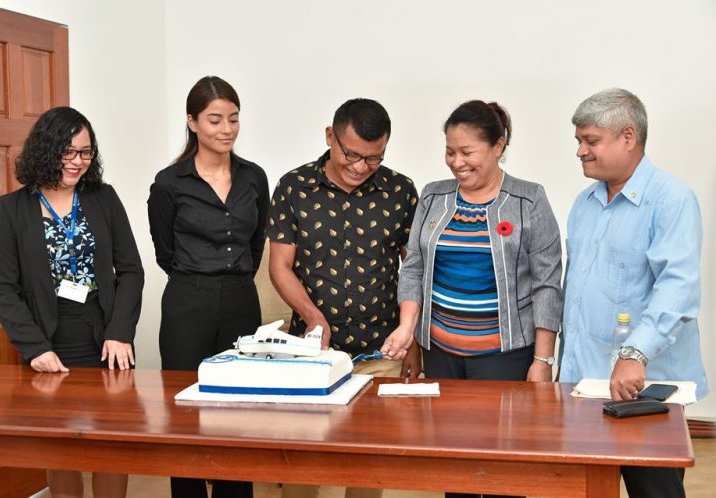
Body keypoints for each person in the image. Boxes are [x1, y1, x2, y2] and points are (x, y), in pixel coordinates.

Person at [385, 100, 562, 498]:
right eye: (450, 151)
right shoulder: (433, 197)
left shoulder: (528, 200)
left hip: (505, 356)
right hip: (443, 353)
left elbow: (547, 283)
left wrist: (542, 360)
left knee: (503, 467)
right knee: (455, 464)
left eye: (467, 152)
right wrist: (407, 328)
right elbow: (413, 268)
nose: (456, 162)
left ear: (498, 146)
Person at [0, 106, 144, 498]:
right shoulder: (10, 209)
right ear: (46, 150)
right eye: (68, 152)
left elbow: (131, 271)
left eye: (86, 152)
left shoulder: (103, 198)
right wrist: (34, 347)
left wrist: (121, 332)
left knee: (110, 446)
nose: (78, 162)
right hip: (48, 340)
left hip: (105, 336)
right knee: (61, 450)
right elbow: (4, 289)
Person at [559, 88, 708, 498]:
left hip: (644, 389)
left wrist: (634, 354)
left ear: (628, 136)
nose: (580, 152)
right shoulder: (584, 203)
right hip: (583, 385)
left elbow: (677, 288)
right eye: (578, 142)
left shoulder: (671, 200)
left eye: (590, 141)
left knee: (653, 492)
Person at [268, 98, 418, 498]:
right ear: (330, 137)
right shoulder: (293, 187)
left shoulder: (400, 190)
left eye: (373, 158)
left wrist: (412, 336)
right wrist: (314, 318)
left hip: (382, 350)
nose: (359, 167)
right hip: (313, 353)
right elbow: (280, 266)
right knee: (305, 461)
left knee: (371, 464)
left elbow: (414, 271)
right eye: (351, 154)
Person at [148, 76, 269, 498]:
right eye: (215, 120)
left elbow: (257, 244)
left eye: (234, 119)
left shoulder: (254, 178)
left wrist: (230, 277)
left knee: (240, 411)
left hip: (240, 299)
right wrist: (199, 276)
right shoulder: (169, 183)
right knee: (185, 411)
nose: (227, 129)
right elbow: (165, 251)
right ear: (192, 122)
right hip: (187, 300)